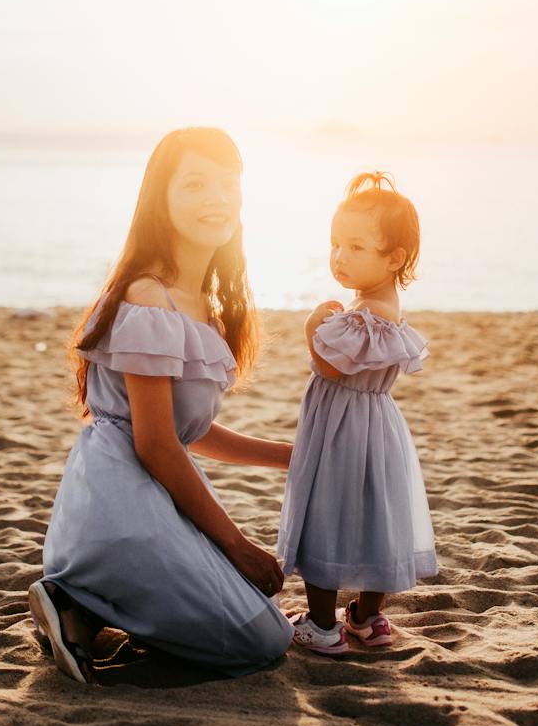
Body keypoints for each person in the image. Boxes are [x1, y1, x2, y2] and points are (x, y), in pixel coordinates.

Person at [30, 127, 295, 684]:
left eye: (227, 183)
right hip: (119, 502)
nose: (215, 198)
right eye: (195, 184)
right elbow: (155, 445)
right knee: (263, 639)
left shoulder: (206, 305)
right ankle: (79, 600)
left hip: (143, 491)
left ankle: (86, 615)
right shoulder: (150, 296)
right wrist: (238, 544)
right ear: (161, 198)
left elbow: (187, 431)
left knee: (262, 622)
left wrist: (288, 457)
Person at [277, 171, 438, 654]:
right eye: (335, 244)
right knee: (377, 516)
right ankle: (367, 617)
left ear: (394, 258)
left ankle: (323, 626)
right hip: (375, 425)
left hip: (343, 426)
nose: (339, 257)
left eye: (355, 247)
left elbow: (333, 366)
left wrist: (311, 327)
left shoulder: (369, 314)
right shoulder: (379, 305)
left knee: (327, 512)